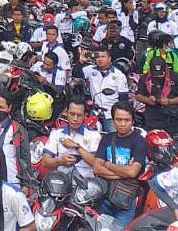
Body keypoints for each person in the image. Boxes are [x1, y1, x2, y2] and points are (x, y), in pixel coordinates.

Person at [63, 101, 147, 229]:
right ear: (113, 120)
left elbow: (132, 173)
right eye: (119, 119)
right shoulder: (107, 139)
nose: (123, 124)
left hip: (125, 201)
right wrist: (123, 172)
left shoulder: (139, 142)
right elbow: (97, 169)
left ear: (133, 121)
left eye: (127, 120)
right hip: (103, 199)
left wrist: (108, 165)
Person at [42, 98, 101, 179]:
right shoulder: (56, 133)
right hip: (61, 183)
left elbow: (97, 164)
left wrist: (77, 147)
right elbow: (45, 162)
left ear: (85, 115)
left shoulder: (94, 135)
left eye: (79, 115)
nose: (75, 119)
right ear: (66, 113)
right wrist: (60, 161)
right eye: (72, 114)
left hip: (87, 185)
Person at [135, 55, 178, 132]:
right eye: (155, 73)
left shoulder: (175, 77)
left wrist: (170, 101)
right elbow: (138, 95)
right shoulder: (144, 78)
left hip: (171, 117)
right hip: (152, 118)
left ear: (166, 68)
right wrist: (147, 100)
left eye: (160, 73)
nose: (158, 75)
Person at [82, 48, 129, 132]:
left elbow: (123, 98)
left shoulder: (119, 75)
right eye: (98, 57)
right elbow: (77, 74)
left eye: (103, 57)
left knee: (113, 139)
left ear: (109, 58)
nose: (100, 59)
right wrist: (81, 61)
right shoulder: (91, 69)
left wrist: (119, 115)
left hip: (111, 114)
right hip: (95, 112)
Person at [0, 90, 27, 186]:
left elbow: (25, 156)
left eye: (1, 107)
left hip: (13, 181)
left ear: (9, 108)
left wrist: (26, 184)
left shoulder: (18, 129)